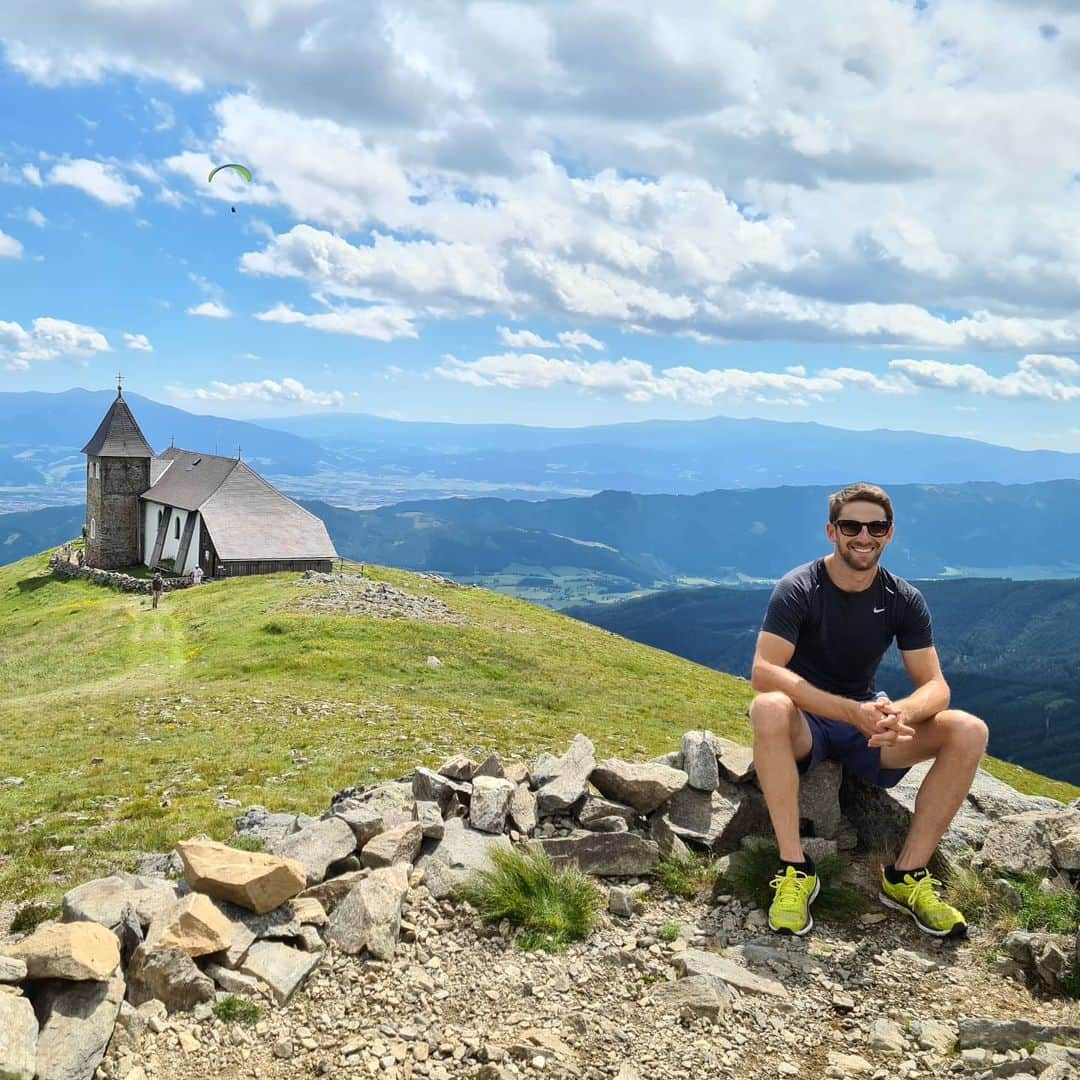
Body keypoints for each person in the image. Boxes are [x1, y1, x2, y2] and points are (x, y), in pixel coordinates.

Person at [749, 482, 988, 940]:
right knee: (768, 709)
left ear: (890, 533)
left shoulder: (903, 598)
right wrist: (849, 711)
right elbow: (764, 671)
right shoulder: (799, 587)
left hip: (868, 723)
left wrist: (897, 713)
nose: (864, 536)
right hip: (808, 720)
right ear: (831, 531)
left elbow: (936, 686)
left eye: (875, 526)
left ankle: (906, 876)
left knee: (969, 731)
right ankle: (795, 868)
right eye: (851, 526)